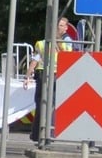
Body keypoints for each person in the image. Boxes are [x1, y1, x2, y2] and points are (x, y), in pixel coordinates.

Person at [23, 16, 73, 144]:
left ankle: (48, 133)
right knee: (41, 105)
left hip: (59, 76)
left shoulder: (67, 43)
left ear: (66, 28)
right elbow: (36, 59)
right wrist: (27, 76)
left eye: (61, 26)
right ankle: (37, 134)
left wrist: (58, 42)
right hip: (43, 75)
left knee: (53, 106)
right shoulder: (41, 43)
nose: (58, 28)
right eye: (57, 25)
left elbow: (68, 57)